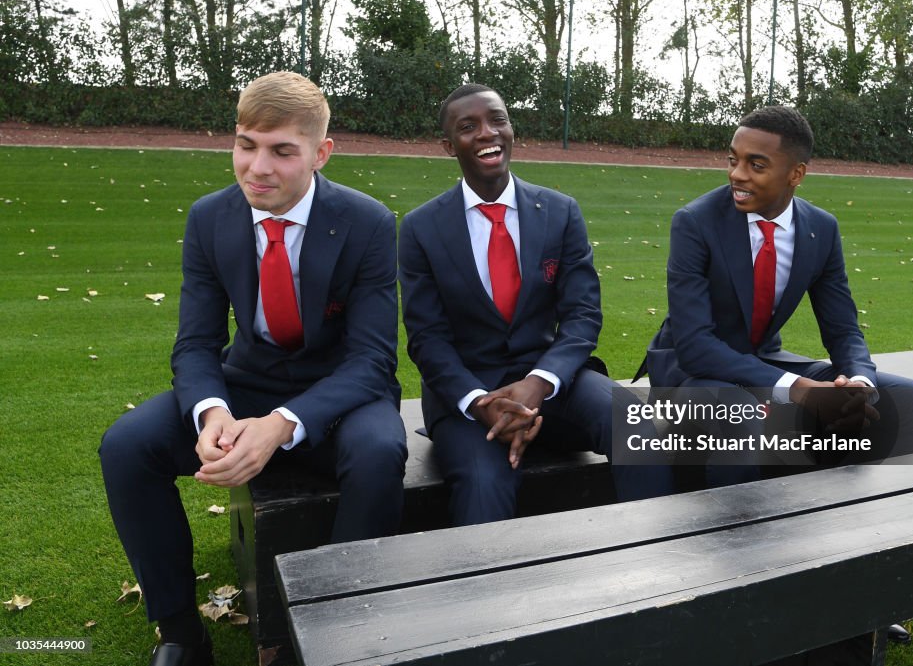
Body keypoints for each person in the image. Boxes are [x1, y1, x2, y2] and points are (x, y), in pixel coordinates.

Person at [99, 71, 407, 666]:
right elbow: (195, 344)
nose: (256, 168)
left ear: (321, 154)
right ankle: (182, 634)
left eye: (281, 151)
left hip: (340, 395)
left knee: (378, 452)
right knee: (127, 446)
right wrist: (212, 411)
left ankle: (325, 634)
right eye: (245, 144)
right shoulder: (210, 218)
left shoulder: (368, 221)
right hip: (245, 382)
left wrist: (281, 424)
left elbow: (373, 358)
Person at [398, 83, 674, 526]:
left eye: (498, 120)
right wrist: (478, 401)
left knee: (637, 424)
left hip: (551, 381)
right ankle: (491, 592)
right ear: (449, 146)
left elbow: (583, 316)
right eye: (469, 127)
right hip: (469, 398)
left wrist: (539, 383)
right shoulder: (421, 228)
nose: (488, 133)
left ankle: (655, 566)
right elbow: (427, 339)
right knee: (484, 481)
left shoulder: (560, 211)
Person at [642, 105, 913, 486]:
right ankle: (733, 537)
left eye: (756, 165)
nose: (737, 174)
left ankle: (875, 514)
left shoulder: (820, 228)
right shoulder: (695, 222)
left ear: (796, 174)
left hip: (764, 360)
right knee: (741, 418)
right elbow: (695, 346)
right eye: (733, 160)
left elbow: (843, 330)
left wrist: (859, 386)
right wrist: (800, 389)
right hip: (689, 375)